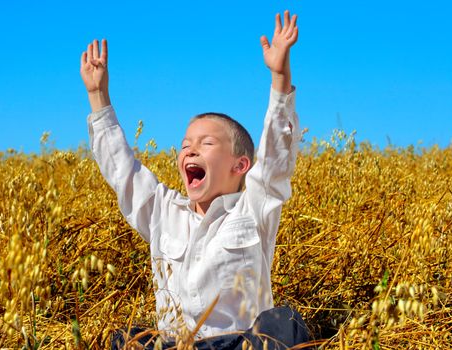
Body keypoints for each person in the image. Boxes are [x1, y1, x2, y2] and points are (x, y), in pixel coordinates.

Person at [81, 9, 310, 350]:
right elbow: (122, 171)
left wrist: (280, 79)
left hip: (242, 345)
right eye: (186, 145)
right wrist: (98, 97)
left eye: (206, 143)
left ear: (240, 164)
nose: (190, 150)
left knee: (284, 322)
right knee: (129, 339)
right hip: (180, 345)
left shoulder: (253, 209)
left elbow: (277, 157)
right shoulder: (162, 211)